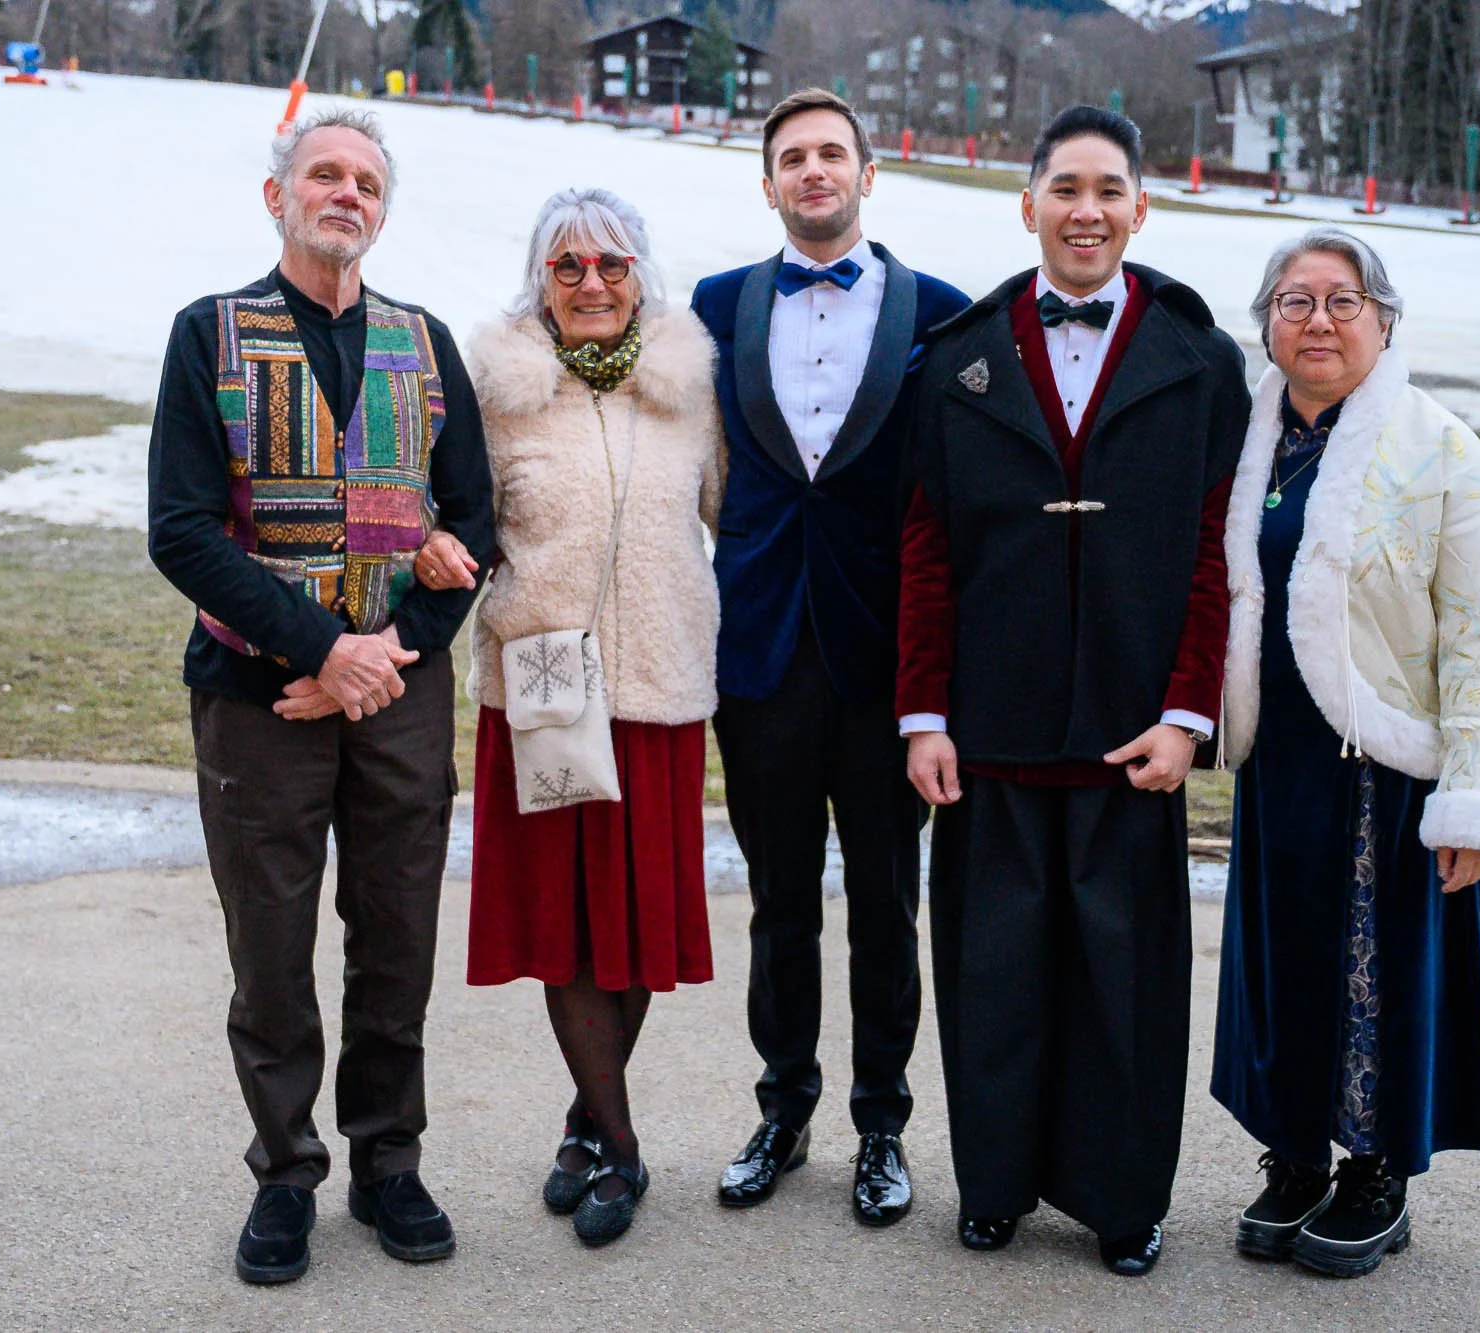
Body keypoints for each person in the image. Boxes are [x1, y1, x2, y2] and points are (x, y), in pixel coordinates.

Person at [898, 105, 1250, 1276]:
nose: (1085, 210)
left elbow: (1213, 548)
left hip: (1129, 732)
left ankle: (1120, 1198)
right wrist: (923, 714)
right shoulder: (958, 358)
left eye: (1108, 189)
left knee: (1123, 983)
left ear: (1139, 207)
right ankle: (993, 1181)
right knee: (990, 974)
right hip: (988, 729)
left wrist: (1188, 712)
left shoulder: (1199, 364)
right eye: (1064, 189)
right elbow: (927, 547)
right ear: (1029, 203)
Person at [146, 107, 494, 1285]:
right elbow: (182, 531)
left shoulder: (427, 341)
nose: (344, 194)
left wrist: (382, 653)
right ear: (277, 194)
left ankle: (387, 1160)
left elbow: (474, 526)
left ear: (382, 212)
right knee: (272, 946)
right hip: (258, 696)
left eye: (365, 183)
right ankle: (285, 1172)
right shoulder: (210, 334)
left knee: (396, 937)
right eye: (323, 175)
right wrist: (312, 652)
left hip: (399, 691)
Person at [1211, 227, 1480, 1278]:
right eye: (1293, 301)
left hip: (1385, 766)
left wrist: (1479, 801)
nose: (1316, 321)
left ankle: (1376, 1174)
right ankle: (1296, 1155)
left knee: (1373, 973)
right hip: (1280, 759)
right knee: (1284, 967)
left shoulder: (1440, 450)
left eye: (1341, 301)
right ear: (1265, 323)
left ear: (1382, 320)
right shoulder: (1246, 442)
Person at [417, 188, 722, 1247]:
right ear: (538, 279)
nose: (591, 282)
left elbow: (743, 517)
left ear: (641, 273)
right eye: (567, 266)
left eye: (612, 263)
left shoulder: (689, 388)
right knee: (567, 928)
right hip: (544, 682)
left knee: (634, 933)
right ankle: (623, 1149)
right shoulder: (495, 390)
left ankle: (585, 1127)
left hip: (662, 685)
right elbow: (445, 516)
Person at [690, 88, 968, 1225]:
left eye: (831, 155)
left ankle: (882, 1125)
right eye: (792, 157)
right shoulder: (711, 307)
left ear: (866, 173)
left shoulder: (943, 314)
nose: (813, 171)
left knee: (886, 907)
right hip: (755, 654)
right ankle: (782, 1109)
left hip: (884, 661)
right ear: (767, 183)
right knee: (777, 903)